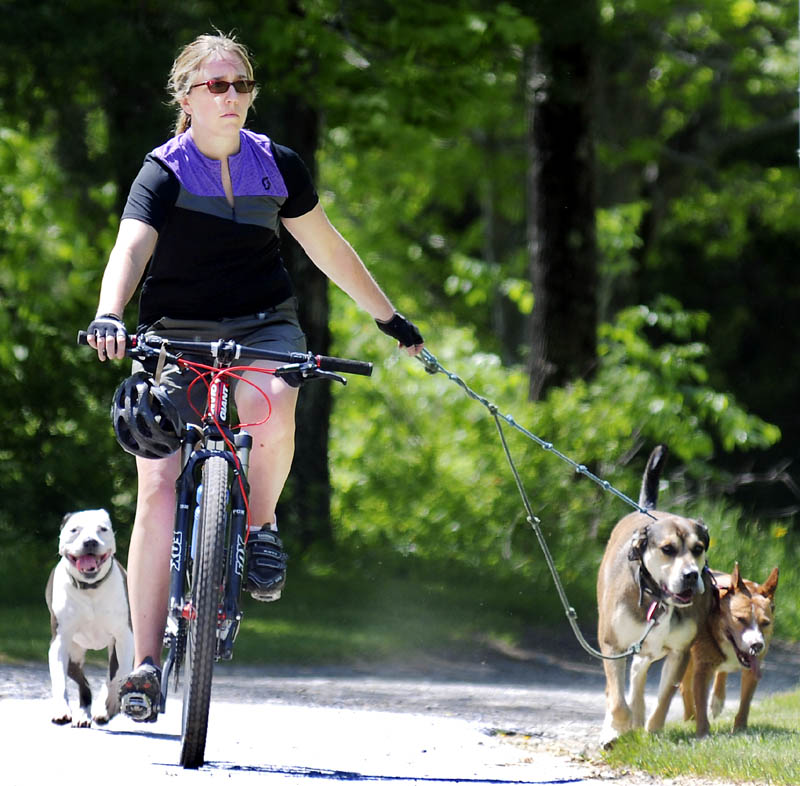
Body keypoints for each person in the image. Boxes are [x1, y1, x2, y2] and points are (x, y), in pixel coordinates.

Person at [86, 31, 423, 723]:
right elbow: (132, 245)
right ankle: (146, 665)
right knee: (156, 481)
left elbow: (326, 246)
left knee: (269, 397)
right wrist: (108, 312)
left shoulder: (278, 164)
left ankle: (260, 527)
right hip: (174, 332)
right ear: (187, 97)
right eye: (218, 86)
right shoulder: (164, 169)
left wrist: (390, 321)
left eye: (242, 84)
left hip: (261, 324)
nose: (233, 97)